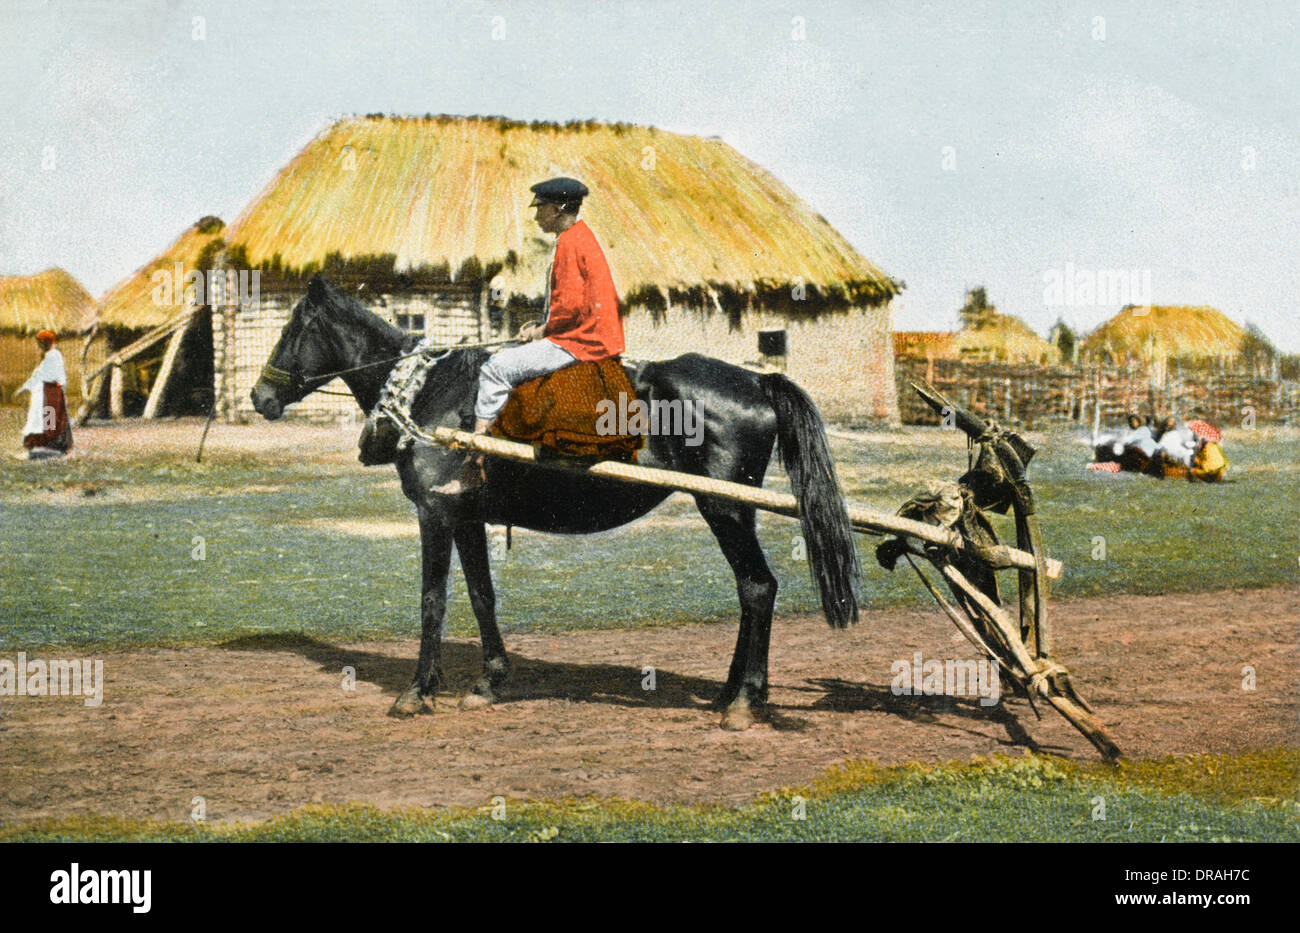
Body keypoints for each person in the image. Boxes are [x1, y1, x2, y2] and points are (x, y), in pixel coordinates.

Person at [436, 176, 624, 494]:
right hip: (586, 335)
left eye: (541, 208)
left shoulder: (570, 242)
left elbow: (570, 308)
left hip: (582, 341)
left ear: (557, 208)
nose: (537, 215)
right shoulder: (580, 237)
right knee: (508, 358)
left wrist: (542, 331)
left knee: (495, 369)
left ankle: (475, 464)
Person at [17, 329, 73, 457]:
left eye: (44, 342)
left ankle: (50, 446)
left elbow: (55, 376)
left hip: (51, 393)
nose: (42, 345)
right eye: (41, 342)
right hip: (42, 392)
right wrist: (25, 388)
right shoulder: (48, 356)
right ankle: (38, 445)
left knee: (50, 419)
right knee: (38, 419)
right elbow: (38, 376)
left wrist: (61, 391)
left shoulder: (54, 355)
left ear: (50, 342)